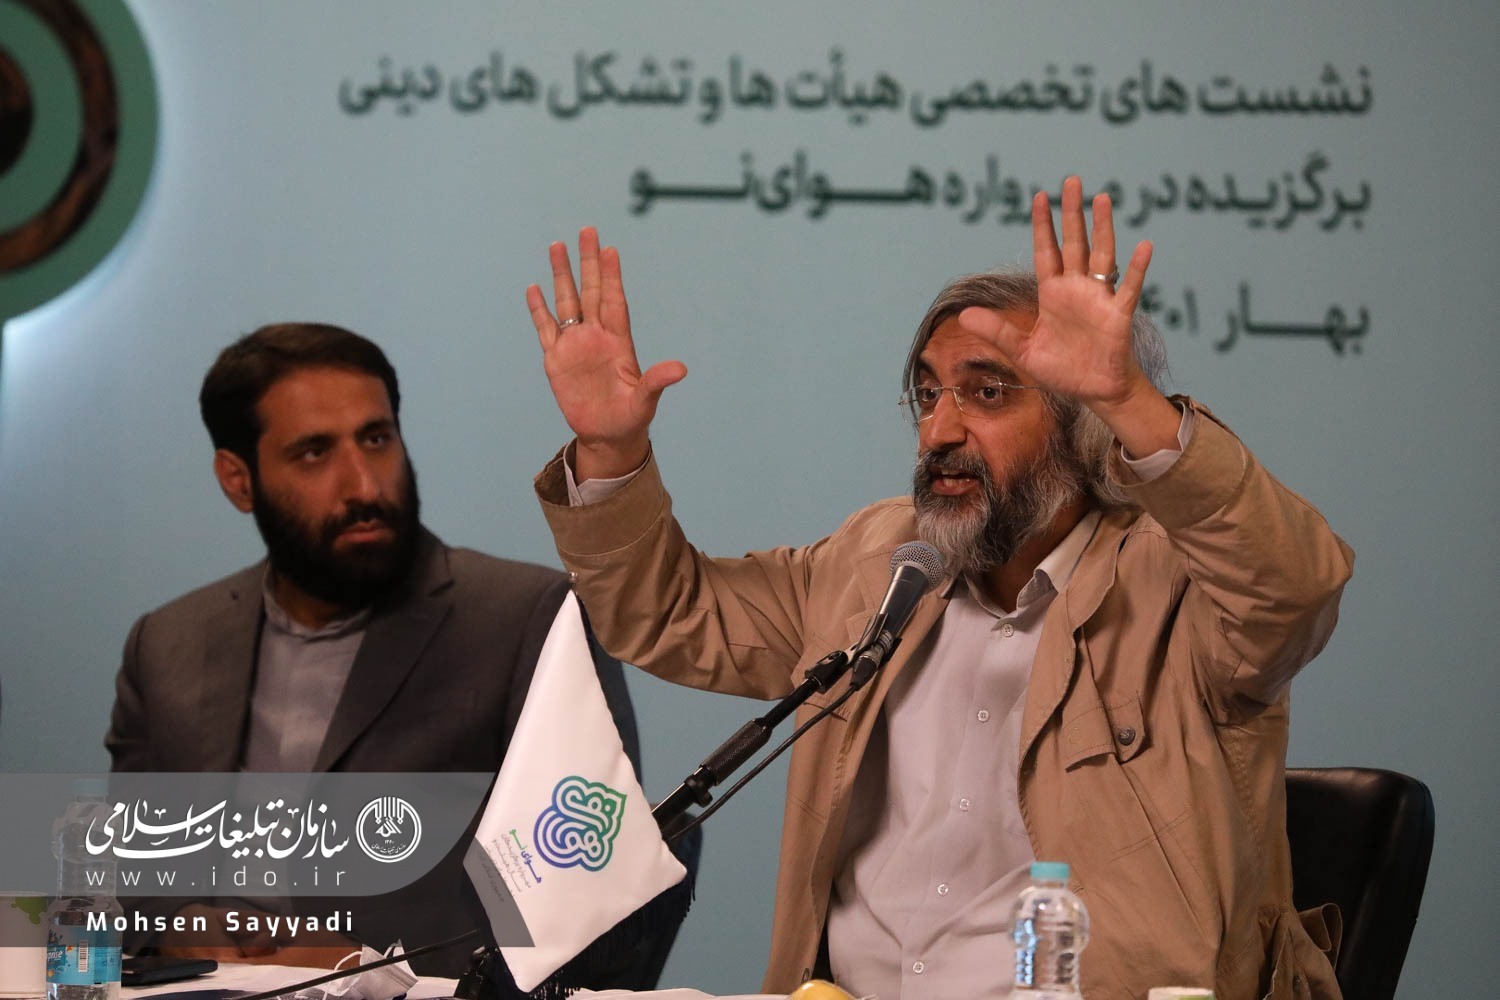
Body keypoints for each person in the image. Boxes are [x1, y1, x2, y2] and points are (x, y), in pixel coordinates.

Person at [527, 178, 1353, 1000]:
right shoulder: (881, 563)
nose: (939, 429)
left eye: (987, 393)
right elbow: (668, 613)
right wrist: (610, 452)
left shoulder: (1180, 584)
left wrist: (1129, 399)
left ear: (1084, 419)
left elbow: (1294, 588)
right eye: (928, 395)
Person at [105, 323, 659, 983]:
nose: (365, 485)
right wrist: (180, 927)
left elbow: (593, 908)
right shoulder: (168, 643)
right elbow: (129, 882)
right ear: (238, 479)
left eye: (376, 439)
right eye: (314, 452)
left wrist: (364, 968)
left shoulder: (525, 621)